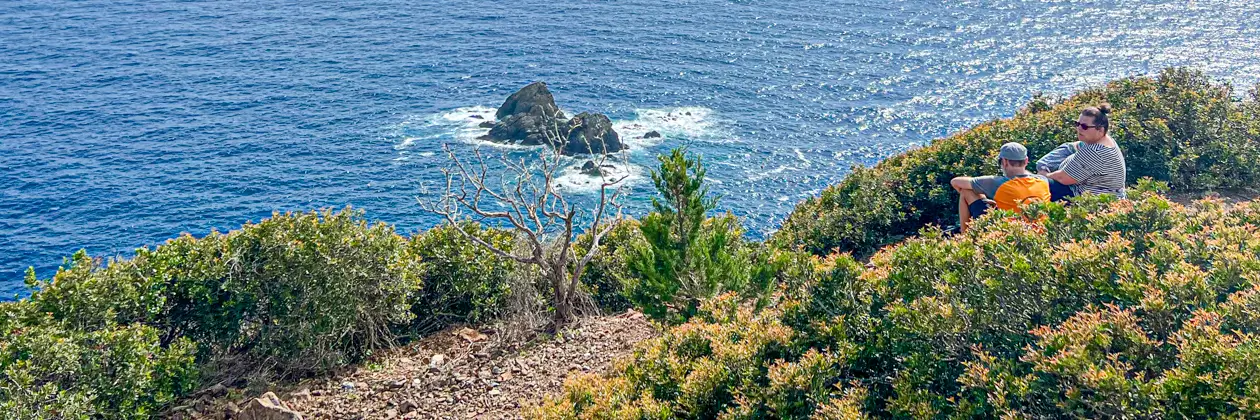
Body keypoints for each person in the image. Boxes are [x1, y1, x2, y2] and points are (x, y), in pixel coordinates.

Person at [951, 142, 1051, 233]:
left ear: (1004, 162)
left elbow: (955, 182)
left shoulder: (997, 183)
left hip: (1011, 234)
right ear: (1026, 161)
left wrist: (983, 194)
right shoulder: (1043, 180)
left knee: (966, 191)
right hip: (1041, 233)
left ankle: (965, 236)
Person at [1036, 104, 1127, 201]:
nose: (1079, 129)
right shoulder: (1108, 141)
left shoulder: (1094, 152)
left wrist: (1045, 175)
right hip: (1112, 193)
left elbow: (1063, 178)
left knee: (1039, 183)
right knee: (1069, 147)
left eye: (1084, 126)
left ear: (1100, 129)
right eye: (1077, 124)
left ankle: (1038, 169)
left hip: (1087, 197)